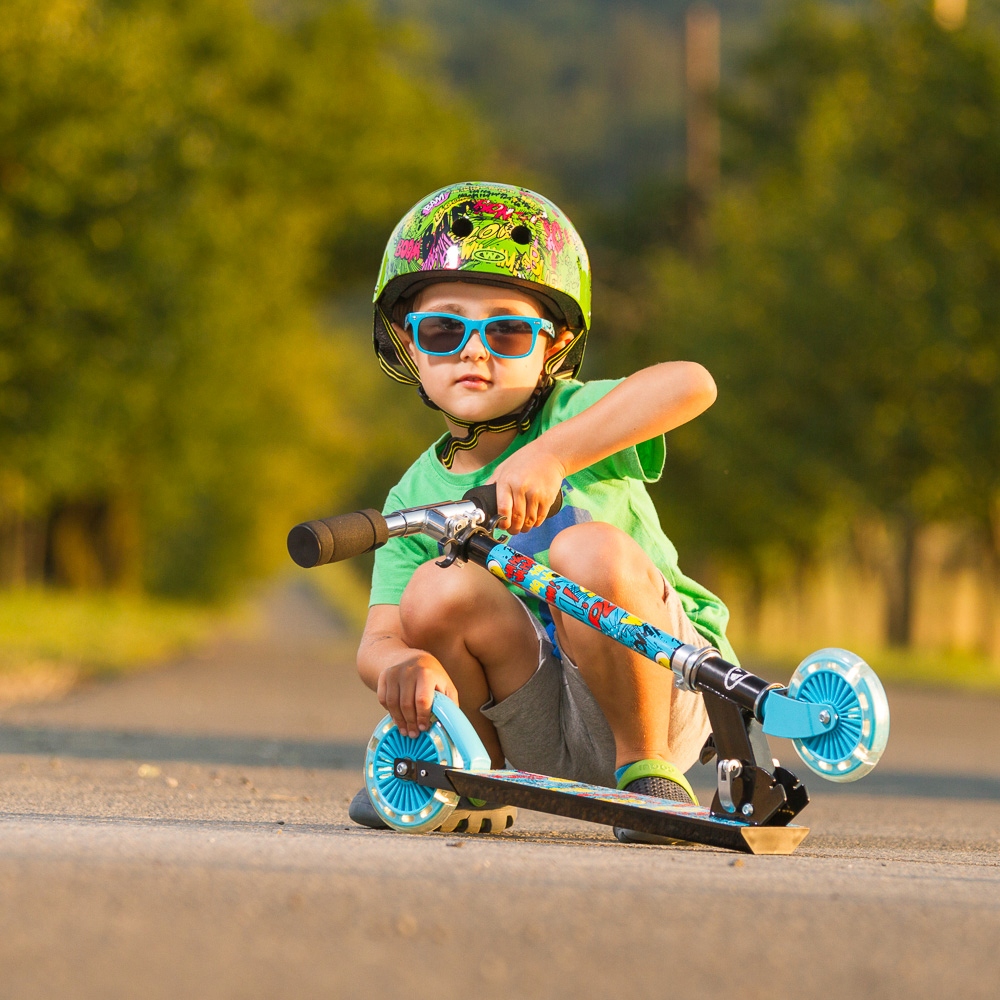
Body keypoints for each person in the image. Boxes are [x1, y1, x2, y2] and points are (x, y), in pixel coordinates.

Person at [351, 181, 738, 839]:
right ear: (410, 344)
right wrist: (402, 667)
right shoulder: (414, 495)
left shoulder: (578, 418)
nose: (474, 350)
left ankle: (647, 779)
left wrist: (555, 455)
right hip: (530, 711)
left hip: (662, 691)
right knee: (436, 590)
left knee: (586, 549)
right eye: (444, 329)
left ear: (553, 345)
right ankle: (473, 776)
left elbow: (691, 384)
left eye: (506, 331)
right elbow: (379, 641)